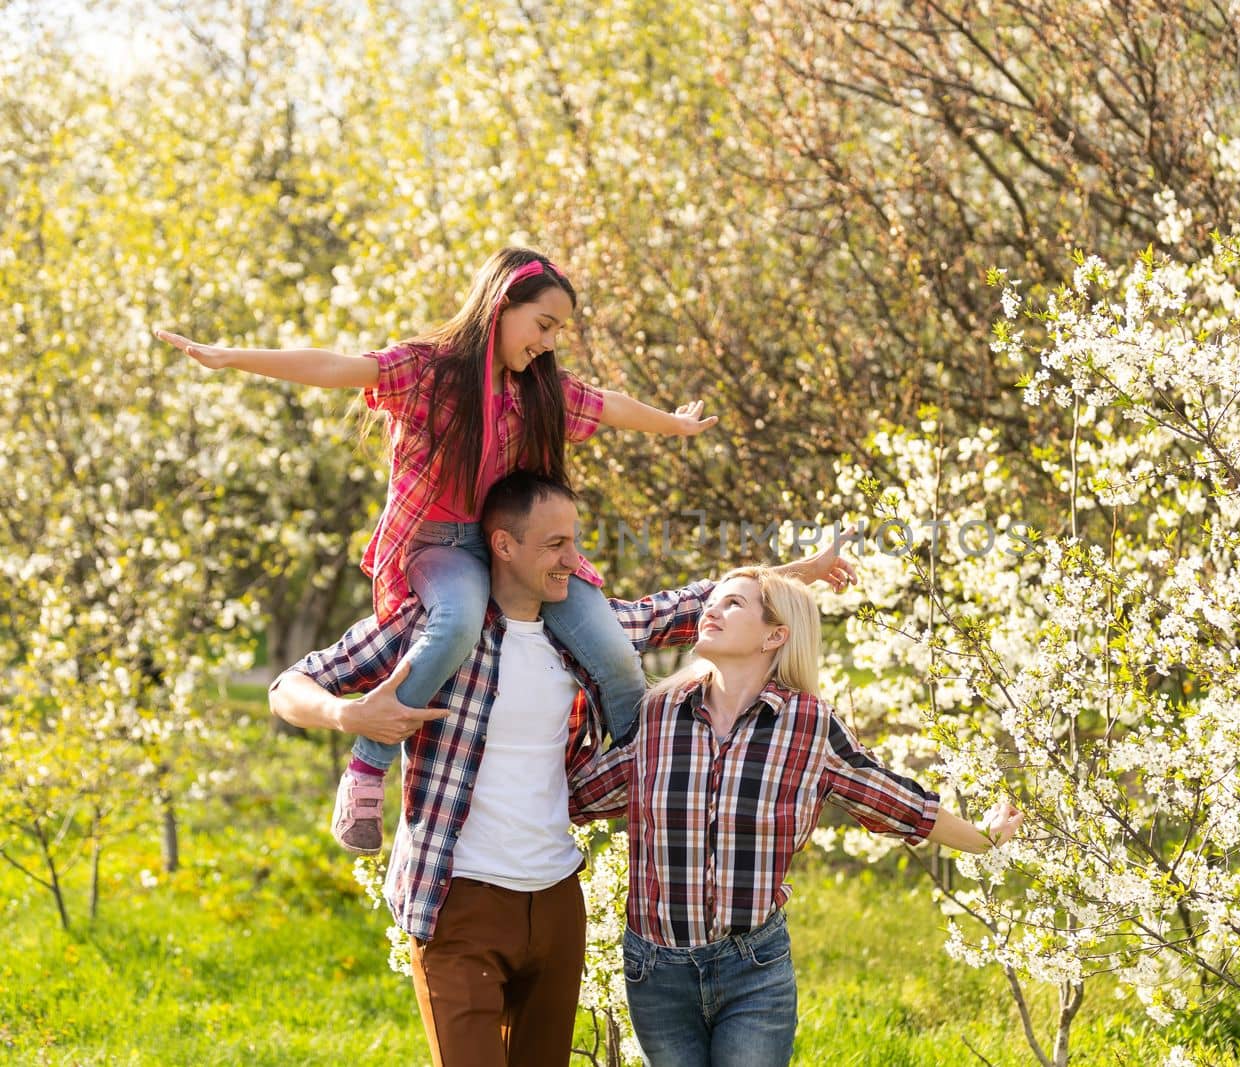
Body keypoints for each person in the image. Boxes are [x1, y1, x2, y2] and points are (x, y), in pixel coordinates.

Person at [267, 473, 854, 1067]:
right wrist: (349, 715)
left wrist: (805, 569)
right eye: (555, 546)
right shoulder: (430, 631)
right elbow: (287, 687)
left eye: (575, 542)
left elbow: (699, 603)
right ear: (503, 545)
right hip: (457, 902)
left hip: (554, 903)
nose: (575, 562)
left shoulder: (584, 637)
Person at [156, 247, 717, 855]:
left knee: (613, 649)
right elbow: (338, 367)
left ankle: (652, 778)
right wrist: (232, 358)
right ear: (502, 306)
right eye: (544, 326)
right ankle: (369, 764)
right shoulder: (429, 372)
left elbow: (610, 406)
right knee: (456, 620)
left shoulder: (542, 390)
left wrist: (675, 424)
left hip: (512, 548)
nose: (549, 343)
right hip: (440, 545)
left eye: (558, 332)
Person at [568, 567, 1024, 1067]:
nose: (712, 611)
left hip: (752, 969)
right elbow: (580, 796)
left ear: (775, 635)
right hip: (655, 971)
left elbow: (899, 803)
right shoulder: (660, 714)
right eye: (712, 603)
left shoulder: (808, 725)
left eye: (734, 604)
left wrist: (985, 839)